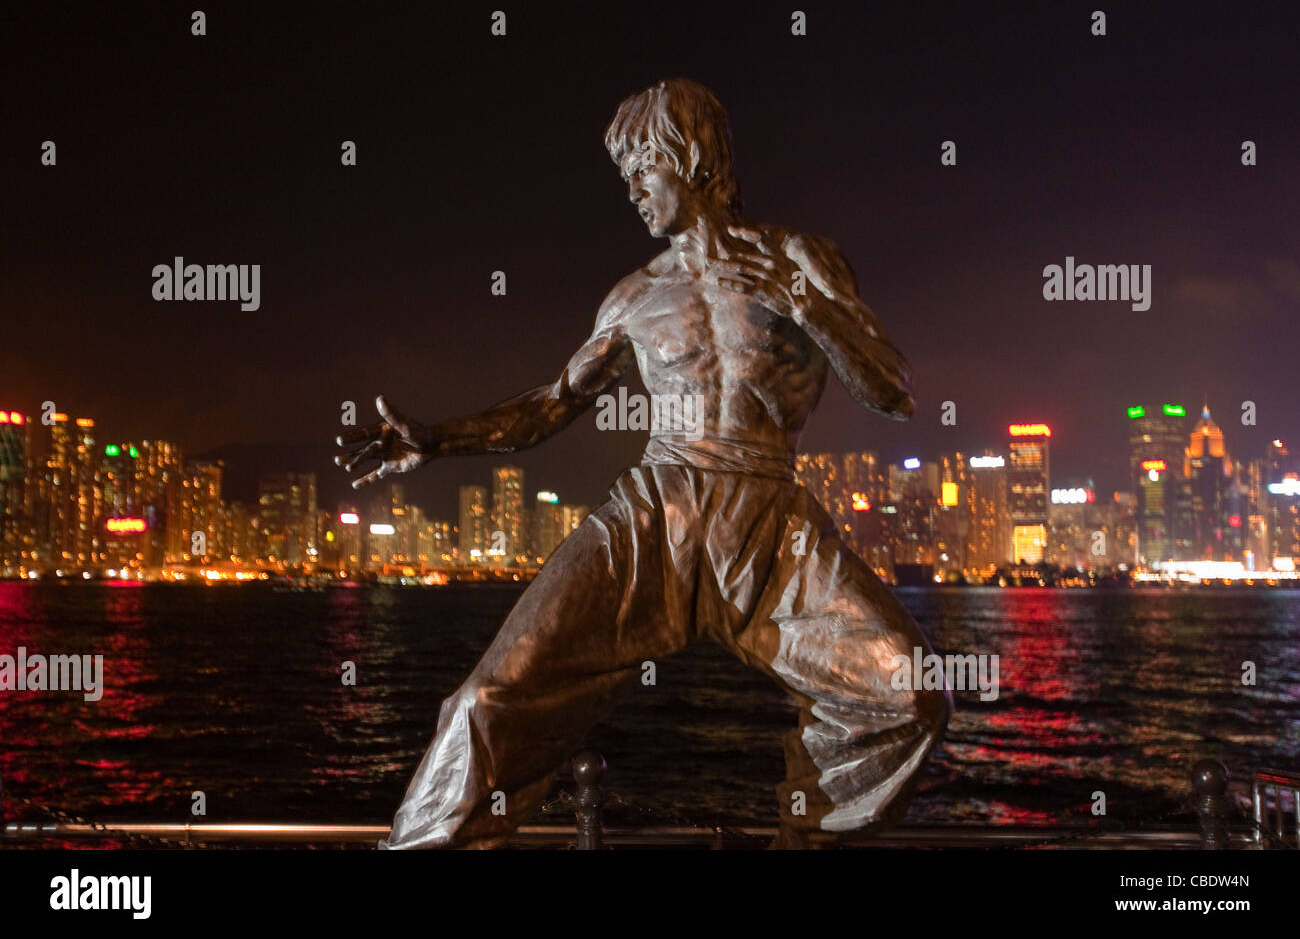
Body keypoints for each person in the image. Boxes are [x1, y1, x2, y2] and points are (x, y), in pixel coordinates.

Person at [335, 77, 950, 849]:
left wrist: (806, 303)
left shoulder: (801, 259)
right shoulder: (631, 299)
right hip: (657, 514)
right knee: (487, 700)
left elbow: (893, 390)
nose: (630, 191)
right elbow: (551, 405)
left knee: (912, 694)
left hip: (767, 522)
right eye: (623, 175)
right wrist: (437, 440)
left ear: (689, 159)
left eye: (640, 169)